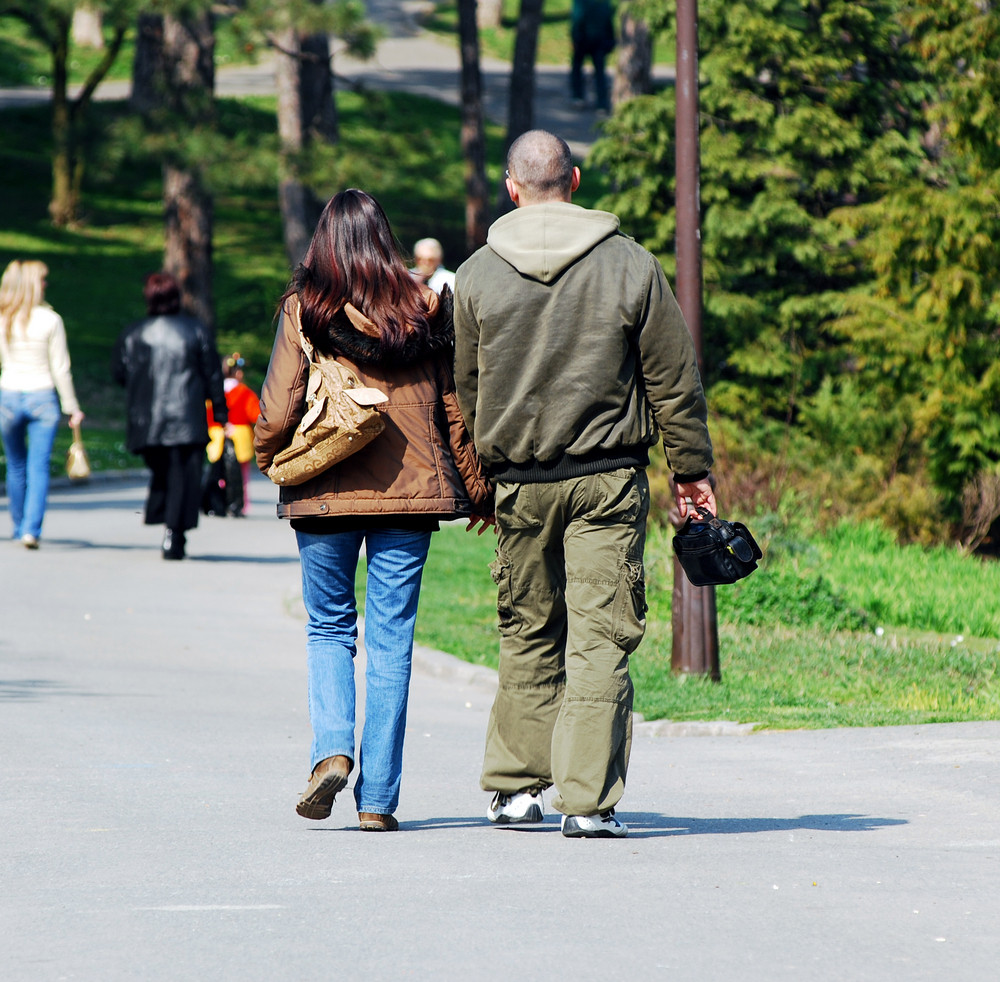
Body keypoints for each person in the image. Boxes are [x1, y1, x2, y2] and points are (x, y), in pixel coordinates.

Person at [454, 130, 715, 839]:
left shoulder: (476, 275)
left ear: (512, 188)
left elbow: (466, 390)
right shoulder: (631, 265)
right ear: (574, 178)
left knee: (528, 630)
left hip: (519, 482)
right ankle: (588, 802)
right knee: (600, 637)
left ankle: (513, 790)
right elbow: (673, 382)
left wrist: (482, 474)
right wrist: (690, 473)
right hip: (606, 478)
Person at [254, 189, 491, 833]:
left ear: (323, 244)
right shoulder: (422, 308)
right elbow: (454, 409)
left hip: (325, 491)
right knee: (392, 640)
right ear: (386, 241)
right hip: (409, 496)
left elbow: (278, 406)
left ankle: (332, 750)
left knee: (330, 627)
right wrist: (477, 490)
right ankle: (378, 800)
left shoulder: (307, 309)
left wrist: (270, 454)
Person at [111, 271, 228, 560]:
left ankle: (169, 525)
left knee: (167, 472)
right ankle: (175, 532)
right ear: (176, 297)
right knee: (183, 476)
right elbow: (213, 374)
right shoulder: (195, 330)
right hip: (186, 417)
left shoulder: (133, 333)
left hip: (148, 421)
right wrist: (221, 412)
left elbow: (119, 373)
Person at [0, 259, 85, 549]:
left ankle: (18, 524)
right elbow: (60, 367)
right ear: (34, 285)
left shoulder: (3, 317)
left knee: (15, 465)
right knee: (38, 466)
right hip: (42, 397)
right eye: (43, 280)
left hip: (9, 394)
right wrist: (71, 407)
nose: (47, 284)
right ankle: (31, 530)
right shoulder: (51, 320)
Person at [206, 352, 260, 515]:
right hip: (239, 433)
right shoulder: (245, 392)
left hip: (216, 434)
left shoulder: (213, 392)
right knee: (241, 475)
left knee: (218, 471)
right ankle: (239, 504)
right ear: (238, 372)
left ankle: (219, 502)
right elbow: (254, 414)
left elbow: (207, 413)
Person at [570, 0, 616, 114]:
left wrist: (575, 36)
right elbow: (608, 20)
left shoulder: (581, 2)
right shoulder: (604, 3)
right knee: (600, 72)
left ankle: (578, 97)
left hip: (583, 38)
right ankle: (602, 103)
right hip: (600, 39)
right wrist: (610, 39)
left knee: (577, 67)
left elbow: (577, 18)